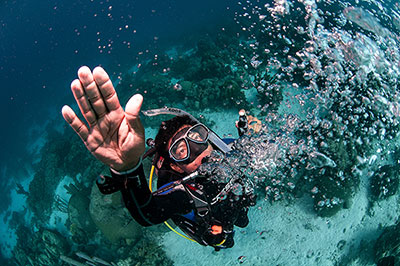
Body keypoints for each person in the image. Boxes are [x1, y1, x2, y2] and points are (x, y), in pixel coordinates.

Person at [62, 66, 255, 250]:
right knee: (225, 240)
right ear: (177, 167)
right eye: (182, 150)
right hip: (210, 222)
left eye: (197, 137)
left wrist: (252, 136)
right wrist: (128, 168)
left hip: (234, 202)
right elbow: (148, 214)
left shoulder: (226, 148)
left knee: (243, 217)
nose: (199, 150)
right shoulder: (183, 194)